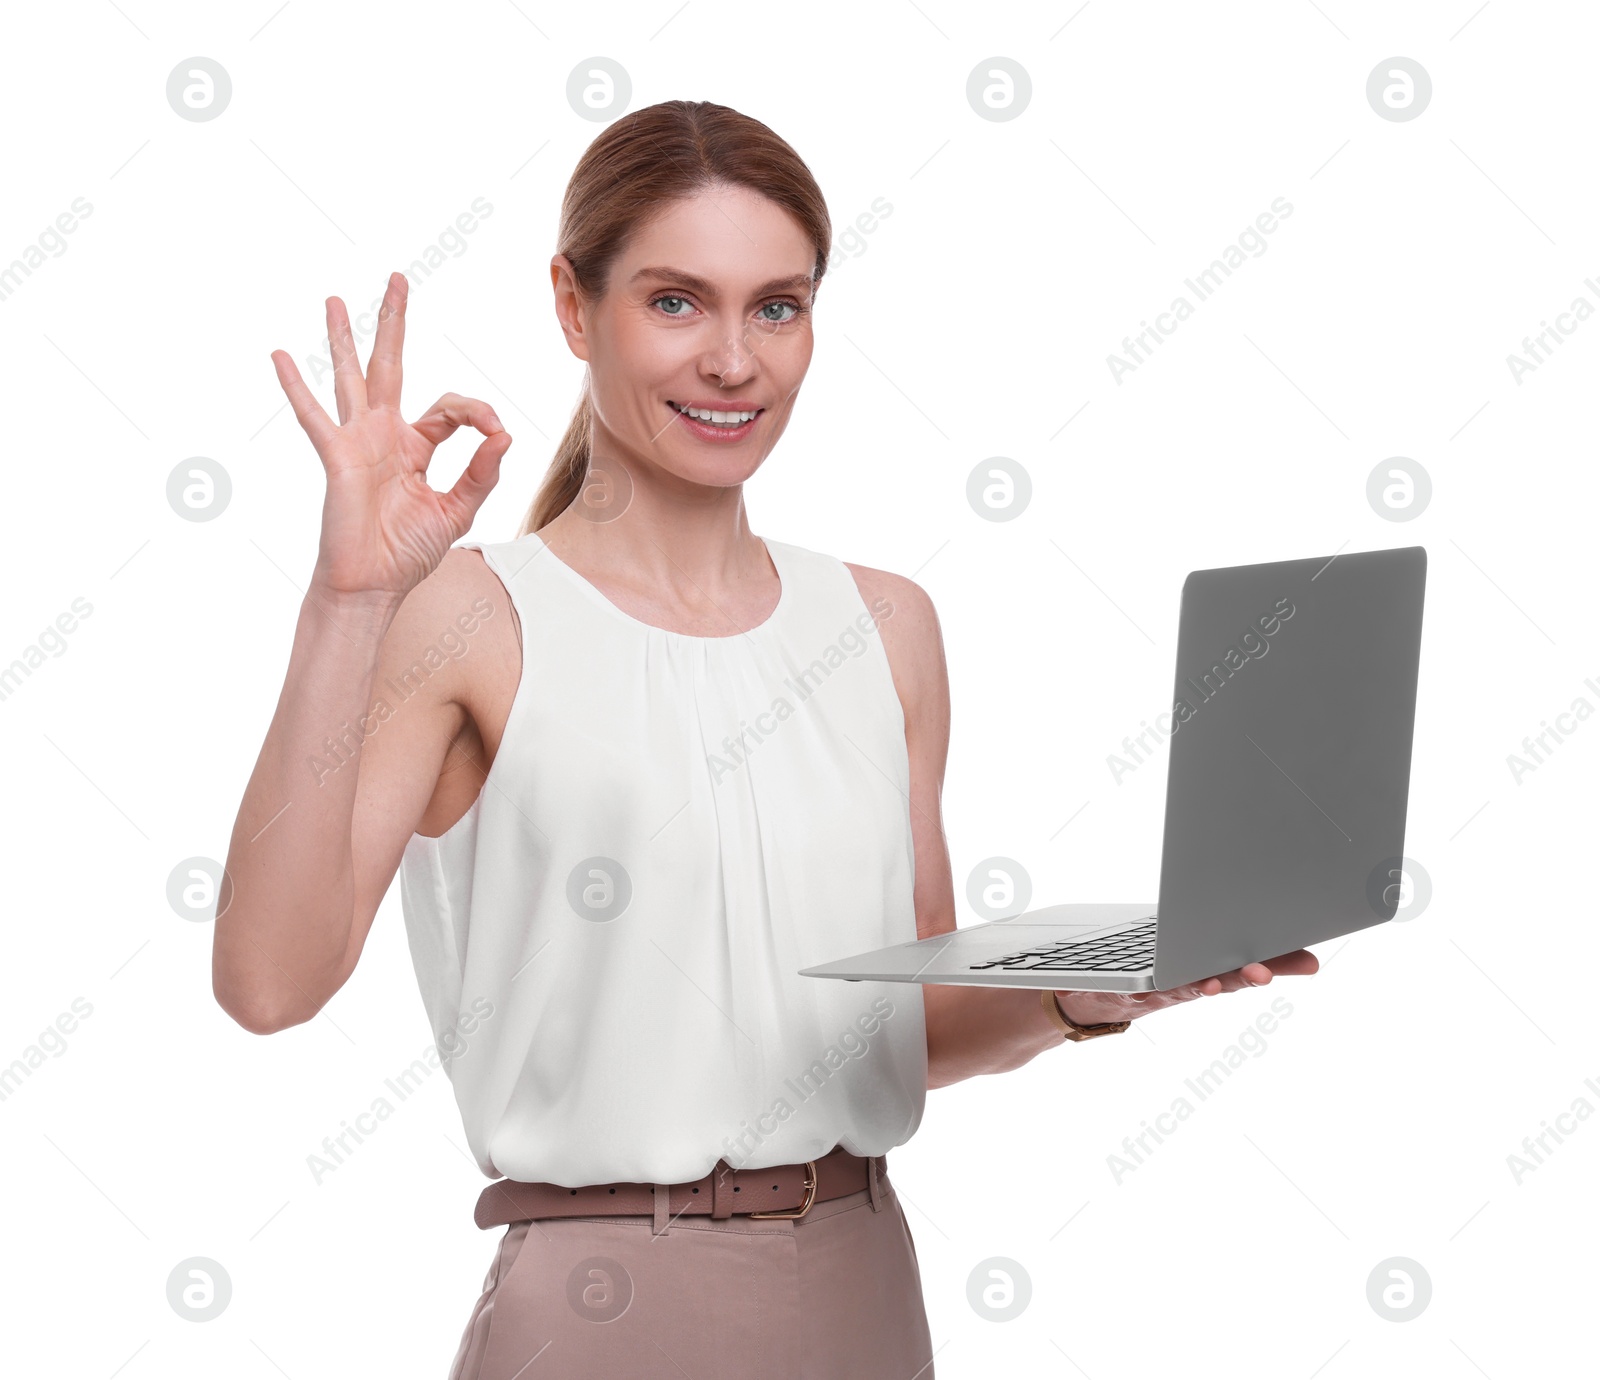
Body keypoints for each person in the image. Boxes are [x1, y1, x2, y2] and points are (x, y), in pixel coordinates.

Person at [213, 99, 1317, 1379]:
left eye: (775, 307)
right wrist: (351, 602)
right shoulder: (473, 616)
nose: (734, 360)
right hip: (603, 1301)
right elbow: (268, 984)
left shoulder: (886, 625)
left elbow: (903, 1026)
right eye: (676, 302)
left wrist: (1079, 993)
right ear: (575, 310)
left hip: (862, 1276)